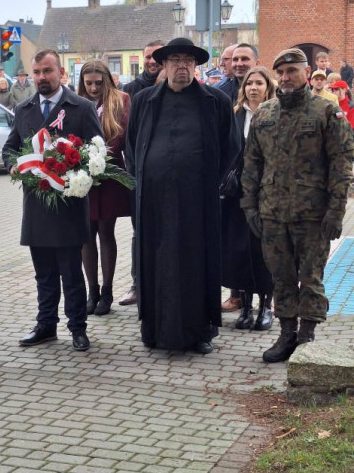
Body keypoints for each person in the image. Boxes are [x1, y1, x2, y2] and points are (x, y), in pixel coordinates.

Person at [125, 37, 240, 354]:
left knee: (195, 262)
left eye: (188, 61)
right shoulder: (146, 100)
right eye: (174, 59)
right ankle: (153, 329)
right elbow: (132, 145)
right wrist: (140, 179)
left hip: (197, 201)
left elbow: (231, 146)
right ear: (163, 64)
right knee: (155, 260)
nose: (181, 66)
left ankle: (198, 332)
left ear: (195, 66)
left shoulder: (213, 101)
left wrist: (210, 182)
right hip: (153, 201)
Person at [241, 48, 354, 363]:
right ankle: (286, 333)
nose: (286, 77)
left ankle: (307, 336)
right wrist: (249, 206)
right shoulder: (264, 114)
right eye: (282, 72)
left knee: (311, 276)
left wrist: (335, 212)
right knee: (281, 277)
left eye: (293, 71)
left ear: (307, 73)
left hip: (313, 215)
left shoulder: (325, 113)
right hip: (272, 213)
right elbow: (252, 165)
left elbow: (342, 165)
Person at [2, 49, 103, 352]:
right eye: (37, 72)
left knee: (71, 273)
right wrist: (13, 165)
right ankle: (46, 325)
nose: (42, 77)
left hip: (69, 207)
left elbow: (96, 150)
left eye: (47, 71)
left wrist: (77, 172)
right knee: (43, 273)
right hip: (37, 207)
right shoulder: (24, 109)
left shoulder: (81, 107)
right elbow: (10, 148)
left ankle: (78, 328)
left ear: (61, 73)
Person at [221, 66, 276, 331]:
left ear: (268, 87)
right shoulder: (234, 115)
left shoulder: (276, 115)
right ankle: (245, 307)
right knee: (239, 251)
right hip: (236, 196)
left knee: (263, 252)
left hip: (266, 195)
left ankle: (266, 307)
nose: (253, 88)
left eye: (259, 83)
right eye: (249, 84)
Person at [77, 60, 131, 316]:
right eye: (89, 84)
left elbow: (122, 134)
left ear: (107, 80)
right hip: (83, 176)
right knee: (86, 234)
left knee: (105, 232)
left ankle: (107, 291)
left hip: (108, 173)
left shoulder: (121, 100)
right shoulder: (78, 101)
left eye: (99, 83)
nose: (94, 88)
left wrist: (100, 156)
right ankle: (92, 290)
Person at [119, 39, 165, 308]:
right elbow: (128, 137)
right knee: (140, 233)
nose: (151, 61)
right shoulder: (130, 91)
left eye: (157, 57)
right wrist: (133, 175)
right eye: (148, 56)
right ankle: (137, 284)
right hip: (139, 177)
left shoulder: (176, 86)